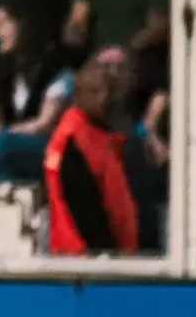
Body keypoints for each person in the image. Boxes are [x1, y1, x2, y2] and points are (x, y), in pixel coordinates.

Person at [43, 62, 139, 256]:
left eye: (107, 91)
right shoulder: (72, 141)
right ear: (78, 95)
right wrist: (106, 253)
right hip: (84, 259)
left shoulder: (99, 136)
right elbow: (82, 208)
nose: (103, 99)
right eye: (94, 92)